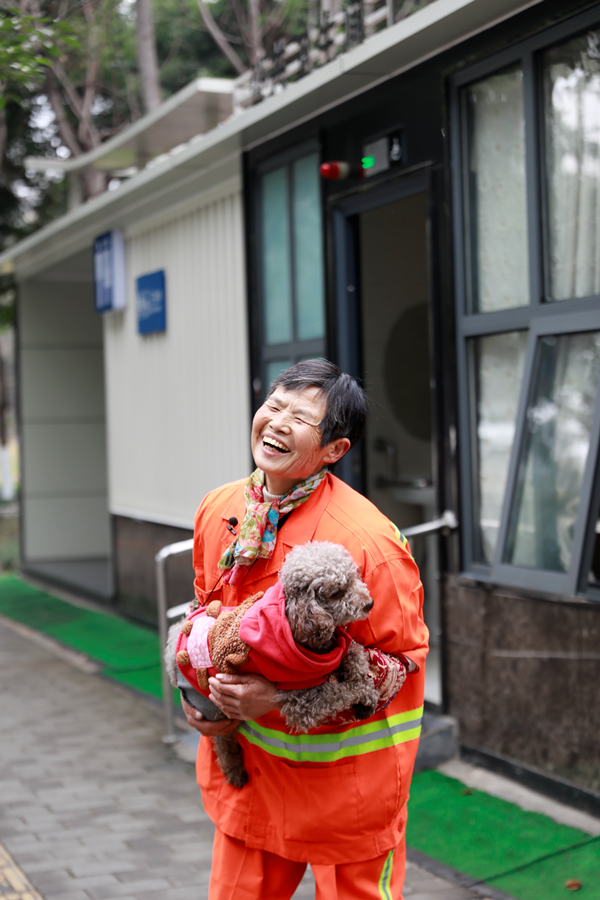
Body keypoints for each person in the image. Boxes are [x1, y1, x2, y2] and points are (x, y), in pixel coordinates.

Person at [182, 359, 429, 900]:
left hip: (345, 791)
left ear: (335, 450)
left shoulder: (370, 543)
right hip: (249, 776)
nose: (276, 422)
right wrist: (197, 695)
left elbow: (398, 669)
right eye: (273, 405)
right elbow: (203, 617)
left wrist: (276, 698)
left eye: (300, 417)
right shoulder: (218, 509)